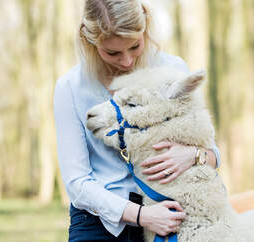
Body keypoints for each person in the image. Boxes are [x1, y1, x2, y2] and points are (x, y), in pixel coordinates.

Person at [53, 0, 221, 241]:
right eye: (112, 52)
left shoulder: (171, 69)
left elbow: (212, 152)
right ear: (89, 39)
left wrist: (195, 155)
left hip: (171, 212)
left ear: (145, 26)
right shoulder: (70, 88)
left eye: (135, 46)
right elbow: (77, 182)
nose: (127, 61)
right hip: (100, 220)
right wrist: (143, 216)